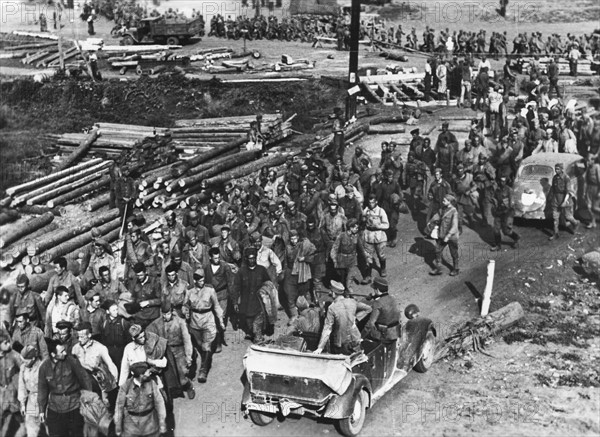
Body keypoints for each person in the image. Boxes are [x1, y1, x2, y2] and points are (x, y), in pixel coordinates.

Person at [38, 339, 92, 437]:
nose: (65, 353)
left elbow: (85, 379)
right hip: (55, 408)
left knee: (77, 433)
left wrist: (89, 401)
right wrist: (41, 410)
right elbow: (42, 390)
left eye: (64, 350)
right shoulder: (44, 368)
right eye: (61, 351)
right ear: (53, 354)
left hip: (74, 405)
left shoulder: (72, 361)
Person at [183, 268, 223, 383]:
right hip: (195, 322)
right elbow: (185, 304)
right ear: (195, 281)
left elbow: (216, 305)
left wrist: (220, 320)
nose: (202, 282)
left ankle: (203, 371)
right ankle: (205, 357)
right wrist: (186, 311)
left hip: (208, 320)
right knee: (199, 346)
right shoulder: (189, 291)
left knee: (206, 347)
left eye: (203, 279)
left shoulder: (210, 290)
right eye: (200, 280)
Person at [147, 302, 195, 398]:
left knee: (182, 376)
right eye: (164, 314)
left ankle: (189, 386)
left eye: (168, 314)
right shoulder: (157, 323)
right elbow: (148, 332)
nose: (166, 316)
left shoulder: (180, 322)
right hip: (166, 352)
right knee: (168, 376)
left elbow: (187, 340)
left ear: (172, 312)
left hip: (179, 350)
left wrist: (188, 356)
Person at [314, 280, 372, 355]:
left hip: (341, 342)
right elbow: (369, 309)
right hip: (355, 339)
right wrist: (356, 318)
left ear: (334, 294)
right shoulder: (352, 302)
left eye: (331, 291)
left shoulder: (332, 308)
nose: (329, 293)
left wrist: (320, 348)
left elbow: (327, 329)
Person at [114, 361, 167, 437]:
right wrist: (118, 428)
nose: (149, 373)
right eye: (147, 372)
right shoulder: (125, 387)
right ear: (141, 375)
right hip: (131, 429)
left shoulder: (152, 383)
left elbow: (160, 403)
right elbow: (119, 408)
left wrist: (162, 424)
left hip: (150, 428)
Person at [234, 248, 271, 343]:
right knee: (249, 323)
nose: (252, 260)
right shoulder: (241, 272)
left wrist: (266, 296)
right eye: (250, 258)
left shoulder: (261, 270)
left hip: (259, 303)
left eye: (253, 258)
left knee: (256, 326)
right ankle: (252, 332)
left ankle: (258, 338)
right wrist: (235, 302)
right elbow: (236, 287)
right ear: (246, 259)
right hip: (246, 303)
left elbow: (268, 284)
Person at [430, 194, 460, 276]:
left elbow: (455, 226)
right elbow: (437, 216)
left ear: (449, 202)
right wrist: (431, 222)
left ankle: (456, 268)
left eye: (444, 201)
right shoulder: (442, 209)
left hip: (451, 237)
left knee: (453, 252)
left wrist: (448, 236)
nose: (443, 202)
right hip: (442, 234)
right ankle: (438, 268)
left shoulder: (454, 212)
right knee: (437, 250)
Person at [548, 162, 579, 240]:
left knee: (567, 216)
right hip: (556, 199)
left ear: (562, 169)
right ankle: (556, 233)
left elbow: (568, 191)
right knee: (555, 218)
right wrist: (550, 197)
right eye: (555, 168)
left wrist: (565, 201)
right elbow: (552, 189)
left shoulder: (566, 178)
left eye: (558, 169)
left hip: (565, 198)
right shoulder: (555, 177)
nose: (556, 170)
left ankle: (575, 223)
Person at [363, 277, 400, 342]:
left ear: (377, 290)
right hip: (396, 332)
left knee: (367, 330)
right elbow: (384, 300)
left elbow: (371, 323)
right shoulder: (393, 299)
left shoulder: (377, 303)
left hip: (385, 336)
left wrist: (361, 336)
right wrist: (374, 297)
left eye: (374, 289)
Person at [362, 194, 389, 281]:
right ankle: (368, 275)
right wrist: (364, 214)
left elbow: (387, 225)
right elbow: (362, 221)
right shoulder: (366, 210)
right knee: (368, 256)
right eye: (369, 203)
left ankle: (383, 268)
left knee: (381, 255)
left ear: (376, 202)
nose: (371, 204)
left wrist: (378, 226)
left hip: (379, 236)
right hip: (369, 236)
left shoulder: (381, 211)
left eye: (373, 202)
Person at [490, 176, 521, 251]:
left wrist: (507, 211)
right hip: (499, 211)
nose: (502, 183)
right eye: (500, 181)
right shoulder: (497, 190)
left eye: (503, 181)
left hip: (508, 212)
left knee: (506, 231)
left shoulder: (509, 190)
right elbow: (494, 200)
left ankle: (516, 238)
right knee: (496, 229)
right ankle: (498, 245)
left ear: (506, 182)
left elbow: (511, 203)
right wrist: (494, 208)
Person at [18, 345, 43, 437]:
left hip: (46, 401)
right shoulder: (23, 368)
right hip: (32, 401)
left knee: (51, 428)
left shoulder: (43, 366)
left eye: (26, 360)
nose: (24, 362)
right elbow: (22, 386)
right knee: (31, 429)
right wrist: (22, 404)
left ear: (33, 358)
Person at [331, 218, 361, 292]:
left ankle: (349, 293)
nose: (357, 229)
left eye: (357, 228)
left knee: (350, 278)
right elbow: (335, 248)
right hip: (342, 260)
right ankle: (342, 293)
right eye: (355, 228)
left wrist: (367, 257)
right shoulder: (341, 236)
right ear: (350, 228)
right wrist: (334, 260)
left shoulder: (356, 236)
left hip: (352, 260)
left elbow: (361, 248)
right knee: (342, 279)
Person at [0, 334, 21, 436]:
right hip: (1, 392)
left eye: (9, 342)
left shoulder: (14, 355)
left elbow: (24, 369)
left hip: (13, 392)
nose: (9, 344)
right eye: (5, 343)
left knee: (18, 415)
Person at [584, 154, 600, 228]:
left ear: (593, 160)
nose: (588, 162)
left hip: (596, 188)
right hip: (589, 188)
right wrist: (585, 191)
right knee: (588, 206)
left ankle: (594, 221)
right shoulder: (588, 168)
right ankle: (592, 222)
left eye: (589, 160)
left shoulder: (597, 167)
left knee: (595, 208)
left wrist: (599, 192)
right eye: (587, 160)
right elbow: (586, 180)